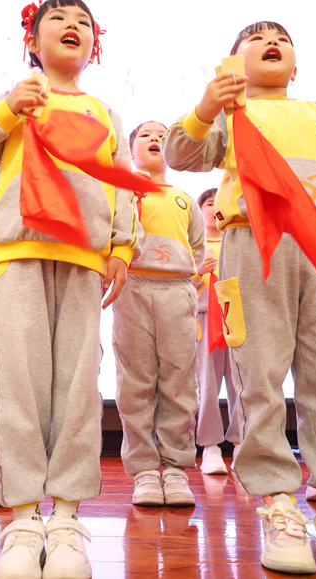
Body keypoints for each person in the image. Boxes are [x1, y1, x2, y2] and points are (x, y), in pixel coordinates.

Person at [165, 20, 316, 575]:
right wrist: (207, 105)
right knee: (259, 376)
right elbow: (181, 154)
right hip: (251, 243)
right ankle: (278, 504)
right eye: (257, 38)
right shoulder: (230, 112)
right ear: (234, 63)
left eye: (282, 38)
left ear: (295, 65)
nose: (272, 42)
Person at [0, 0, 141, 579]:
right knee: (17, 386)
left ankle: (68, 519)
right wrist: (7, 109)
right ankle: (24, 520)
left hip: (83, 261)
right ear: (32, 40)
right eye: (58, 19)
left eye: (83, 22)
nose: (72, 26)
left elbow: (121, 184)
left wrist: (122, 246)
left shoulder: (105, 112)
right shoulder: (17, 100)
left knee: (78, 389)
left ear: (94, 44)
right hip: (19, 256)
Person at [114, 120, 203, 507]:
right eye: (146, 135)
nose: (155, 139)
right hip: (132, 288)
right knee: (135, 382)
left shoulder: (184, 198)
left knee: (179, 380)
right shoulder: (121, 193)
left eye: (163, 135)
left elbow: (197, 248)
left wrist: (185, 280)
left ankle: (177, 467)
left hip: (176, 290)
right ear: (130, 148)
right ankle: (145, 471)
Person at [193, 187, 240, 475]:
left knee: (241, 383)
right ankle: (211, 447)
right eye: (209, 203)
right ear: (200, 211)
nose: (214, 208)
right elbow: (181, 281)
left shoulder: (238, 240)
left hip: (236, 317)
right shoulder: (193, 245)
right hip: (204, 318)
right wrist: (198, 272)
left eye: (218, 203)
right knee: (207, 384)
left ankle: (241, 443)